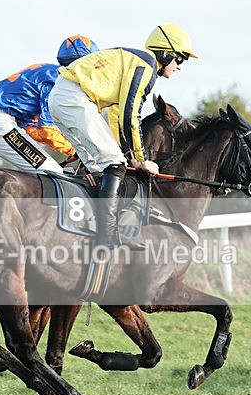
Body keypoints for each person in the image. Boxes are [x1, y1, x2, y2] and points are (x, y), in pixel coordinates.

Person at [47, 24, 197, 248]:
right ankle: (107, 235)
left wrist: (129, 154)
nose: (179, 67)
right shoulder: (145, 66)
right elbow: (131, 114)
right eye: (180, 59)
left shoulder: (137, 62)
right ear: (167, 53)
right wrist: (140, 158)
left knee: (98, 167)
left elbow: (118, 115)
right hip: (74, 98)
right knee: (115, 164)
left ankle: (86, 226)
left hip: (62, 97)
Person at [0, 35, 99, 173]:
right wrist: (75, 150)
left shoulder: (49, 71)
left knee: (58, 171)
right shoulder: (57, 81)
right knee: (53, 173)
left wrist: (73, 148)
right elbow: (46, 129)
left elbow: (34, 129)